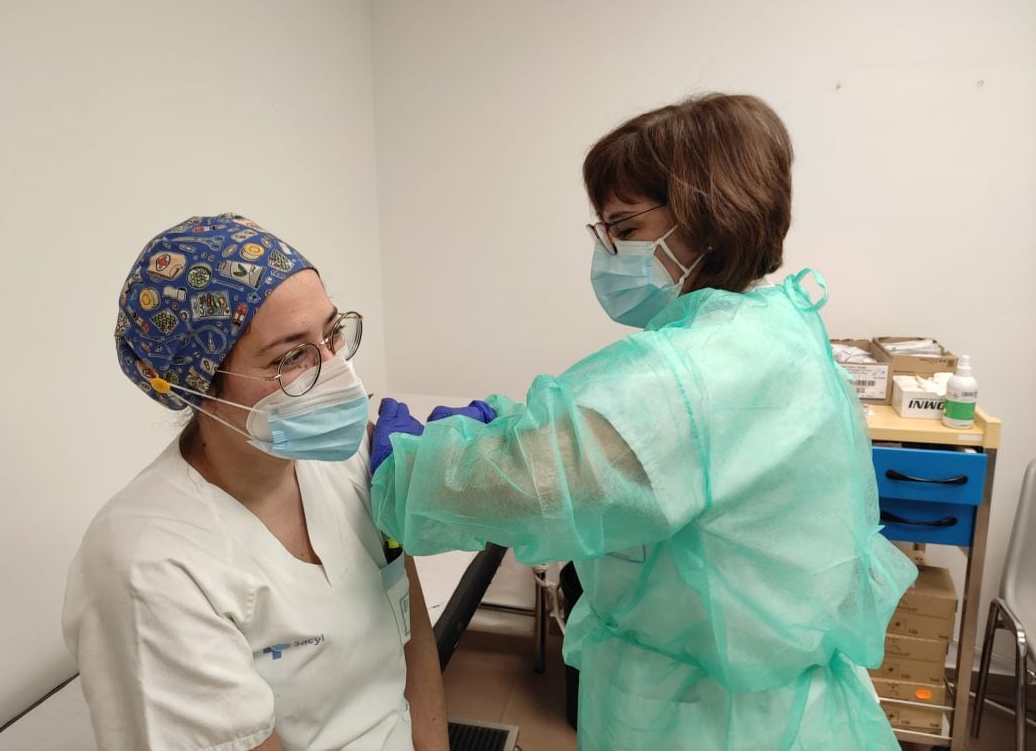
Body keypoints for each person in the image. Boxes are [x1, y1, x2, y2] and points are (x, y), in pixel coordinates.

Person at [369, 94, 917, 750]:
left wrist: (411, 468)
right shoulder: (774, 323)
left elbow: (539, 487)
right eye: (602, 233)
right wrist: (510, 422)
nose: (609, 255)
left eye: (624, 230)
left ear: (710, 215)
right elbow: (632, 448)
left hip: (710, 720)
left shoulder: (692, 373)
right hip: (784, 707)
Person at [63, 214, 448, 751]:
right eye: (291, 356)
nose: (338, 374)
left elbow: (413, 635)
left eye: (333, 334)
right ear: (197, 387)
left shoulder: (352, 456)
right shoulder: (147, 566)